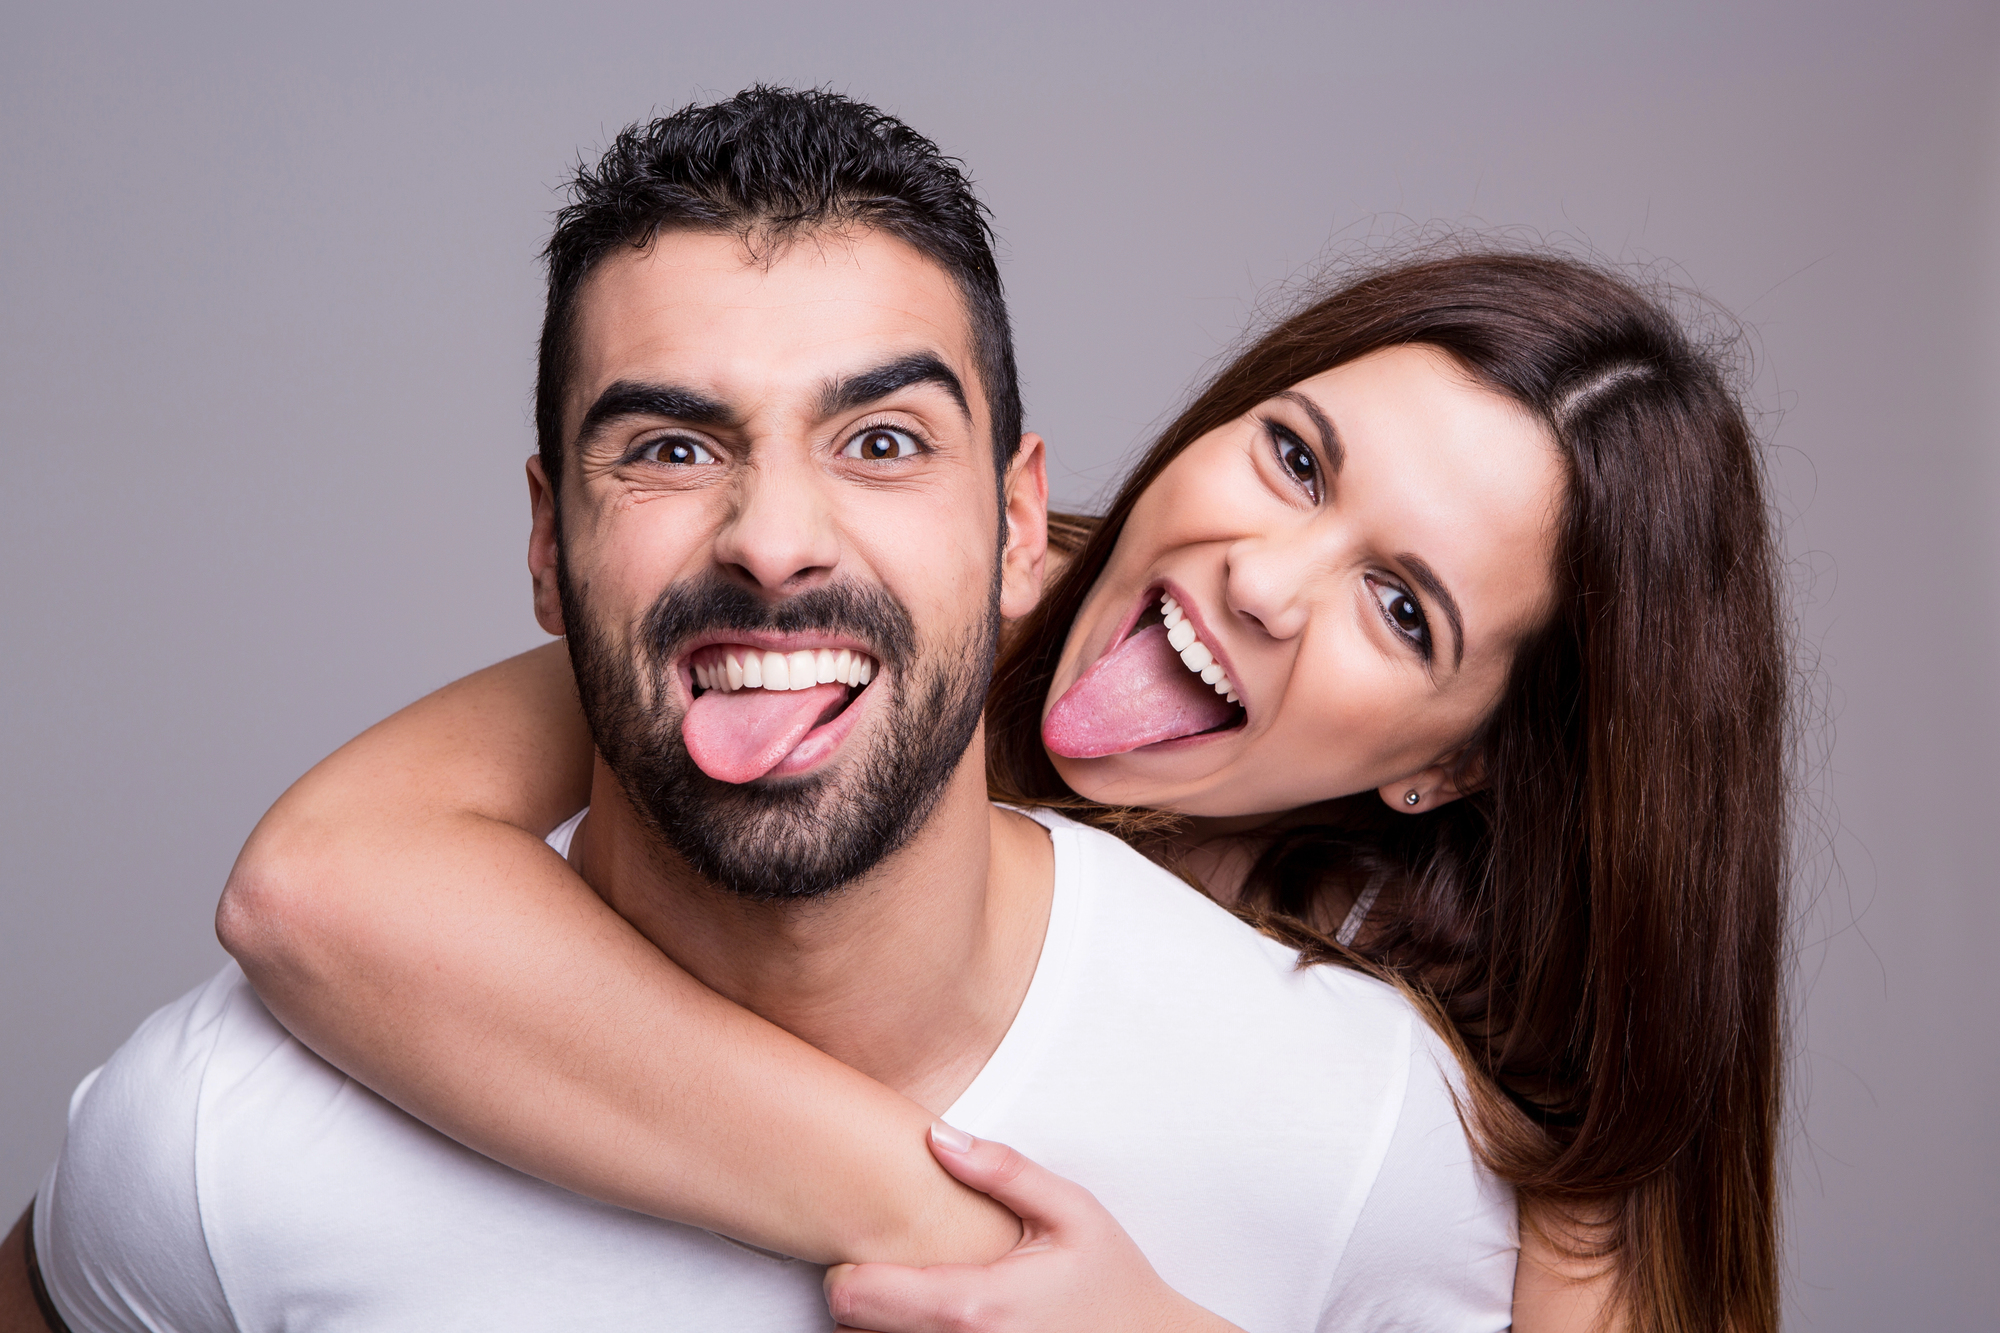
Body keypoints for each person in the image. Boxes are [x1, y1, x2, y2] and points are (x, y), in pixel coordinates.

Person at [7, 89, 1519, 1333]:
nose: (773, 537)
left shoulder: (1359, 1134)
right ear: (548, 543)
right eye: (667, 448)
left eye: (879, 438)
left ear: (1018, 528)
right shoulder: (217, 1140)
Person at [189, 245, 1789, 1330]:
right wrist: (949, 1232)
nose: (1267, 582)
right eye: (1297, 458)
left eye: (1402, 606)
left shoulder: (1491, 1106)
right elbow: (321, 883)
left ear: (1453, 761)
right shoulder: (906, 602)